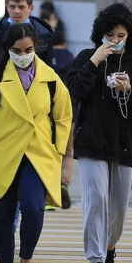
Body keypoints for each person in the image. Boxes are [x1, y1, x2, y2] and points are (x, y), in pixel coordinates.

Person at [0, 23, 72, 263]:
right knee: (3, 214)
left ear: (36, 48)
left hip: (37, 153)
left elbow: (63, 117)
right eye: (17, 50)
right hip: (0, 153)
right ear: (8, 49)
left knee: (33, 207)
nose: (23, 54)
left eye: (28, 49)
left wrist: (59, 150)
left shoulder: (51, 79)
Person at [67, 1, 132, 263]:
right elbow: (75, 91)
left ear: (129, 35)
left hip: (125, 145)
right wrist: (94, 62)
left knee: (118, 207)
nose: (115, 41)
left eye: (120, 36)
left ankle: (109, 249)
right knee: (96, 200)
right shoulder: (86, 57)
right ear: (100, 35)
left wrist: (129, 90)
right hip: (92, 143)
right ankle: (95, 262)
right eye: (109, 36)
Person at [0, 0, 56, 252]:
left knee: (23, 177)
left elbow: (52, 77)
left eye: (21, 6)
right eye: (12, 6)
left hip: (31, 118)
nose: (16, 11)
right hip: (0, 110)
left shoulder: (43, 34)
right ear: (6, 6)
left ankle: (8, 227)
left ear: (31, 8)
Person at [51, 30, 76, 209]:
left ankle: (49, 193)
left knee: (50, 151)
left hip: (49, 112)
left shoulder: (45, 59)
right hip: (70, 112)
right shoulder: (72, 59)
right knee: (67, 151)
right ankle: (63, 183)